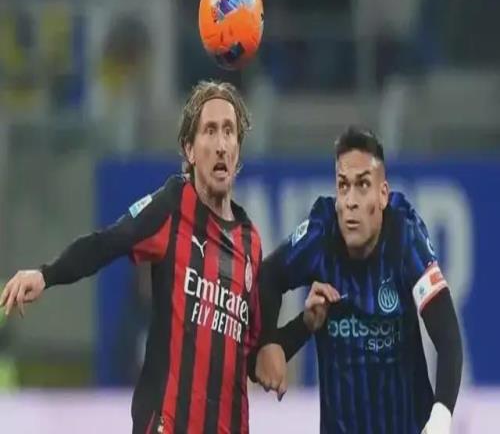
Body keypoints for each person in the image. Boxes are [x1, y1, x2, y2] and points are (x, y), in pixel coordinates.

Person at [1, 80, 274, 434]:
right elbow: (107, 242)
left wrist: (289, 339)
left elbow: (251, 345)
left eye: (229, 132)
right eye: (210, 131)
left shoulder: (251, 241)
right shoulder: (172, 207)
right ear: (189, 150)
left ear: (238, 149)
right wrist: (47, 274)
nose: (221, 145)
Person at [255, 127, 463, 434]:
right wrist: (269, 341)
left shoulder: (405, 238)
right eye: (343, 186)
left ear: (383, 195)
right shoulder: (320, 235)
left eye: (363, 185)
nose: (350, 201)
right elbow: (268, 276)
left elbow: (447, 336)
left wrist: (441, 417)